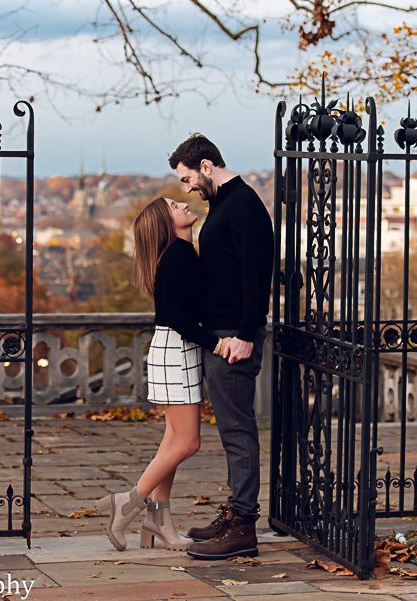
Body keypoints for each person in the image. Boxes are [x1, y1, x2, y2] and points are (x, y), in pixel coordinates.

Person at [95, 196, 229, 552]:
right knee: (188, 442)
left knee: (172, 441)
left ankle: (158, 518)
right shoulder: (179, 257)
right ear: (165, 223)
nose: (184, 204)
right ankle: (129, 502)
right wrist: (216, 345)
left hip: (172, 350)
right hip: (176, 351)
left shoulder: (179, 254)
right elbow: (181, 320)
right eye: (174, 205)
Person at [169, 133, 274, 560]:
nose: (187, 187)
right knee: (232, 430)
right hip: (224, 333)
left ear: (207, 166)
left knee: (237, 431)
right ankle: (235, 514)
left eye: (188, 177)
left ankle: (244, 526)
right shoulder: (224, 205)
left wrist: (246, 336)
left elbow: (255, 275)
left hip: (235, 336)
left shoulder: (243, 205)